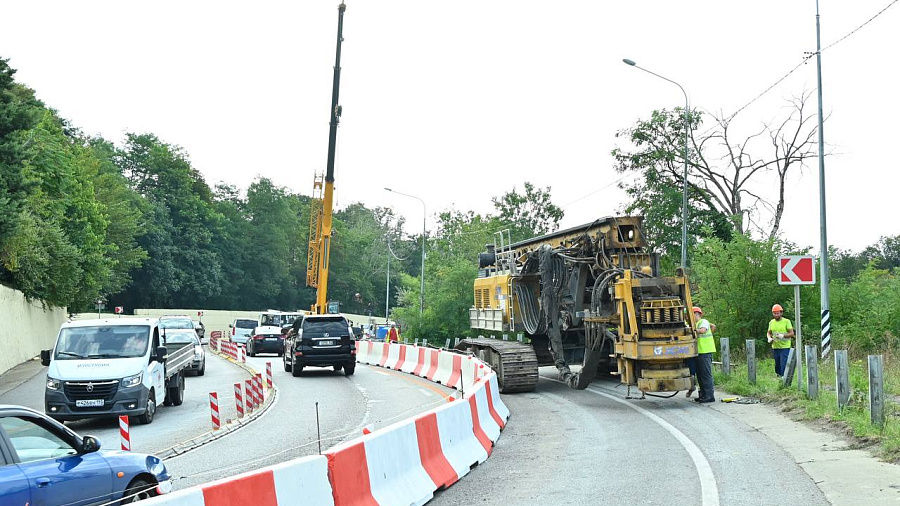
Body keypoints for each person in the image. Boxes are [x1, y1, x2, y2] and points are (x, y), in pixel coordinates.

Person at [692, 306, 717, 404]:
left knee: (706, 375)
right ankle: (703, 394)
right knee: (700, 375)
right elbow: (713, 326)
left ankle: (709, 396)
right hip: (699, 353)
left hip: (705, 352)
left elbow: (703, 330)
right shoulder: (696, 323)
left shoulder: (703, 322)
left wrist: (693, 330)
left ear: (696, 314)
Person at [767, 303, 795, 378]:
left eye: (777, 313)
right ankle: (779, 377)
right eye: (774, 313)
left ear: (781, 313)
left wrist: (783, 336)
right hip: (775, 347)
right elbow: (769, 332)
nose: (776, 315)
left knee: (784, 363)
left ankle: (784, 379)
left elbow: (792, 333)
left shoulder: (786, 321)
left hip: (785, 347)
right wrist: (769, 338)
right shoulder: (771, 322)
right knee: (777, 364)